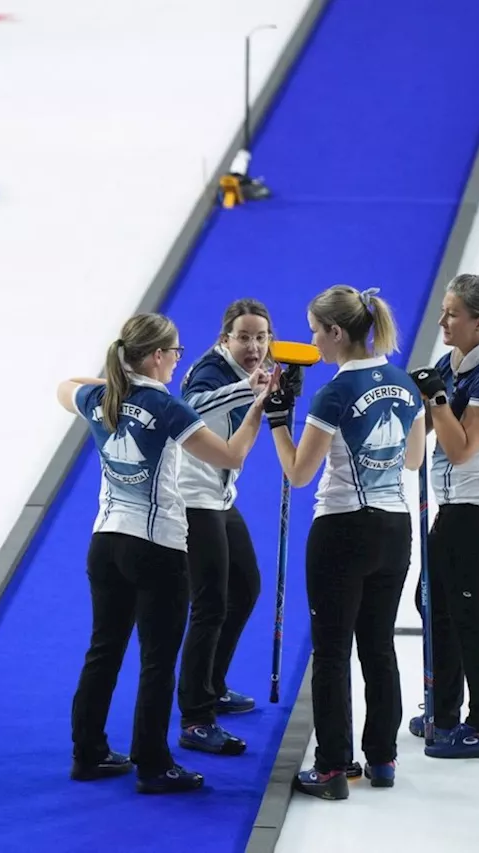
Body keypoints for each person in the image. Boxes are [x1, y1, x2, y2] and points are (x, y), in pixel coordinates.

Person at [56, 312, 276, 794]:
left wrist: (119, 384)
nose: (178, 360)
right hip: (155, 548)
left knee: (103, 650)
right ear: (156, 356)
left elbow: (63, 386)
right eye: (174, 352)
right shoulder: (168, 407)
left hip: (105, 542)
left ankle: (88, 753)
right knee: (157, 660)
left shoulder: (98, 398)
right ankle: (153, 764)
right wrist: (258, 406)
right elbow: (231, 456)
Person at [262, 285, 425, 799]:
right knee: (378, 646)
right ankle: (382, 759)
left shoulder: (333, 394)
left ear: (336, 332)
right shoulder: (403, 384)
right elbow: (415, 459)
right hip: (394, 529)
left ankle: (332, 768)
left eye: (316, 330)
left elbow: (299, 472)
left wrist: (276, 422)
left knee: (331, 652)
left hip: (342, 529)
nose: (313, 340)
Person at [406, 274, 479, 759]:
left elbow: (458, 449)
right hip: (454, 510)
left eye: (452, 314)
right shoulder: (450, 362)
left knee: (471, 616)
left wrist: (435, 400)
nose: (442, 321)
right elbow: (428, 428)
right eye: (444, 311)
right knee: (433, 606)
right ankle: (444, 708)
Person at [173, 299, 272, 757]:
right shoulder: (209, 371)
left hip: (221, 495)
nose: (253, 346)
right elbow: (190, 407)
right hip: (193, 499)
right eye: (244, 337)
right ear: (224, 339)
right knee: (210, 604)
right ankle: (195, 717)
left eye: (260, 337)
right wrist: (250, 389)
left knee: (246, 588)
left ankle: (212, 684)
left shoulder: (259, 367)